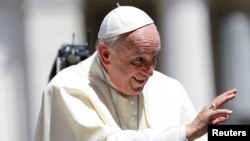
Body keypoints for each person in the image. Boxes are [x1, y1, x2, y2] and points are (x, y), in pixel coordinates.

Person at [34, 5, 237, 141]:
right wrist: (185, 132)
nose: (149, 72)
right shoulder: (67, 88)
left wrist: (235, 133)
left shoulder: (169, 88)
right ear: (106, 54)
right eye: (138, 60)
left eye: (154, 59)